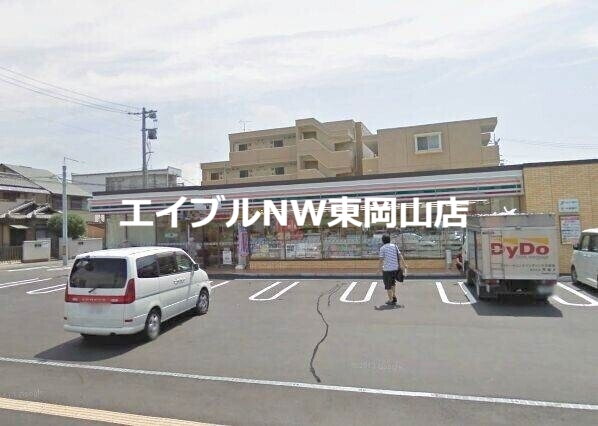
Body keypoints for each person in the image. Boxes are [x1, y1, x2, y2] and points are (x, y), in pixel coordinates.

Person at [379, 235, 406, 306]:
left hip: (387, 270)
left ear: (383, 241)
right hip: (395, 269)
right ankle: (394, 296)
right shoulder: (394, 246)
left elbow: (381, 260)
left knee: (388, 285)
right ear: (389, 240)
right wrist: (404, 264)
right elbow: (400, 256)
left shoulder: (382, 248)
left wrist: (379, 269)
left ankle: (391, 300)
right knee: (393, 283)